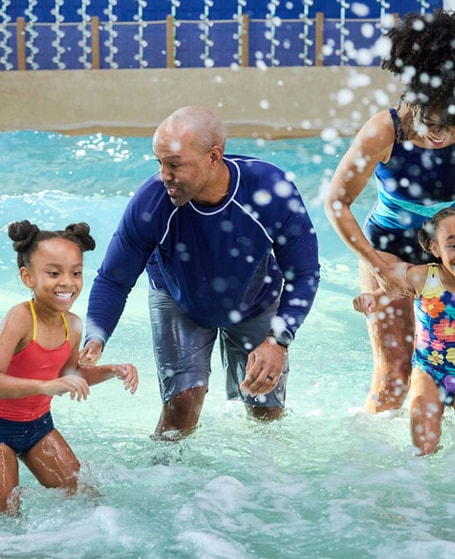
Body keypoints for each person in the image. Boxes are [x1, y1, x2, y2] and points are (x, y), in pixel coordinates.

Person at [80, 105, 320, 439]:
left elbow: (304, 274)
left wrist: (278, 340)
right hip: (179, 297)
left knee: (266, 410)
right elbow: (113, 278)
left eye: (174, 164)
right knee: (180, 410)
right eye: (159, 163)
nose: (164, 175)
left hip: (255, 299)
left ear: (213, 156)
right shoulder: (152, 203)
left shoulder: (270, 191)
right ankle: (163, 481)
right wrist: (96, 334)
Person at [325, 9, 455, 414]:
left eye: (451, 127)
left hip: (449, 253)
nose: (439, 136)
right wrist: (378, 265)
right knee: (393, 376)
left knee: (446, 372)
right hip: (386, 249)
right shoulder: (385, 131)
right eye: (432, 123)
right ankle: (373, 472)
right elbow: (337, 202)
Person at [0, 220, 138, 515]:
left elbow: (69, 375)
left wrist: (114, 370)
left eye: (76, 273)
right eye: (53, 273)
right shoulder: (21, 318)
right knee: (7, 512)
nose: (67, 282)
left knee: (88, 500)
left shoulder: (73, 325)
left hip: (38, 428)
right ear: (27, 277)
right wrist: (45, 386)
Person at [353, 208, 455, 455]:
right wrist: (371, 298)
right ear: (435, 249)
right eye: (453, 245)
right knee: (424, 446)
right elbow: (388, 290)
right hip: (430, 372)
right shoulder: (423, 278)